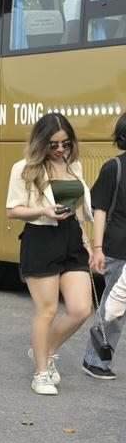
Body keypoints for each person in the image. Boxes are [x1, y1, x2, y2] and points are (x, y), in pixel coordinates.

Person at [5, 112, 94, 396]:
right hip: (41, 238)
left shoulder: (73, 165)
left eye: (66, 144)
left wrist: (87, 240)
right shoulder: (24, 168)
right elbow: (12, 210)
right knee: (48, 310)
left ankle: (44, 349)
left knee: (81, 309)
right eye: (54, 144)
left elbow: (76, 208)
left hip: (71, 237)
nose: (60, 149)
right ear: (41, 142)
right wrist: (43, 210)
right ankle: (40, 373)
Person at [82, 112, 126, 379]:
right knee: (114, 308)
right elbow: (99, 209)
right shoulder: (114, 168)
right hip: (118, 249)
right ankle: (94, 361)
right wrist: (97, 249)